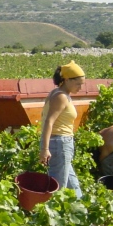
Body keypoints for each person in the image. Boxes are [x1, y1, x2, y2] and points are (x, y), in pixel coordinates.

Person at [39, 60, 85, 198]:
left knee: (73, 183)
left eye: (82, 84)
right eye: (78, 84)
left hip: (61, 143)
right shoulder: (61, 97)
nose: (80, 88)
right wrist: (44, 149)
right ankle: (51, 215)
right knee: (59, 188)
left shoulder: (57, 93)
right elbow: (49, 122)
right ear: (66, 80)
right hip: (60, 143)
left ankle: (82, 212)